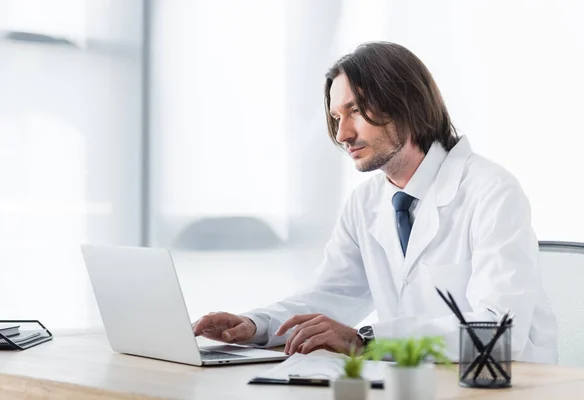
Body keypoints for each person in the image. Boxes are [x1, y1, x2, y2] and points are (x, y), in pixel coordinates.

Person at [192, 41, 558, 363]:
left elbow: (497, 331)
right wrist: (256, 325)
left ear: (405, 103)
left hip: (505, 388)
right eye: (336, 117)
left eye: (355, 111)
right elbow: (332, 294)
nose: (342, 134)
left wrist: (366, 340)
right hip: (417, 383)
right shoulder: (365, 203)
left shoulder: (491, 191)